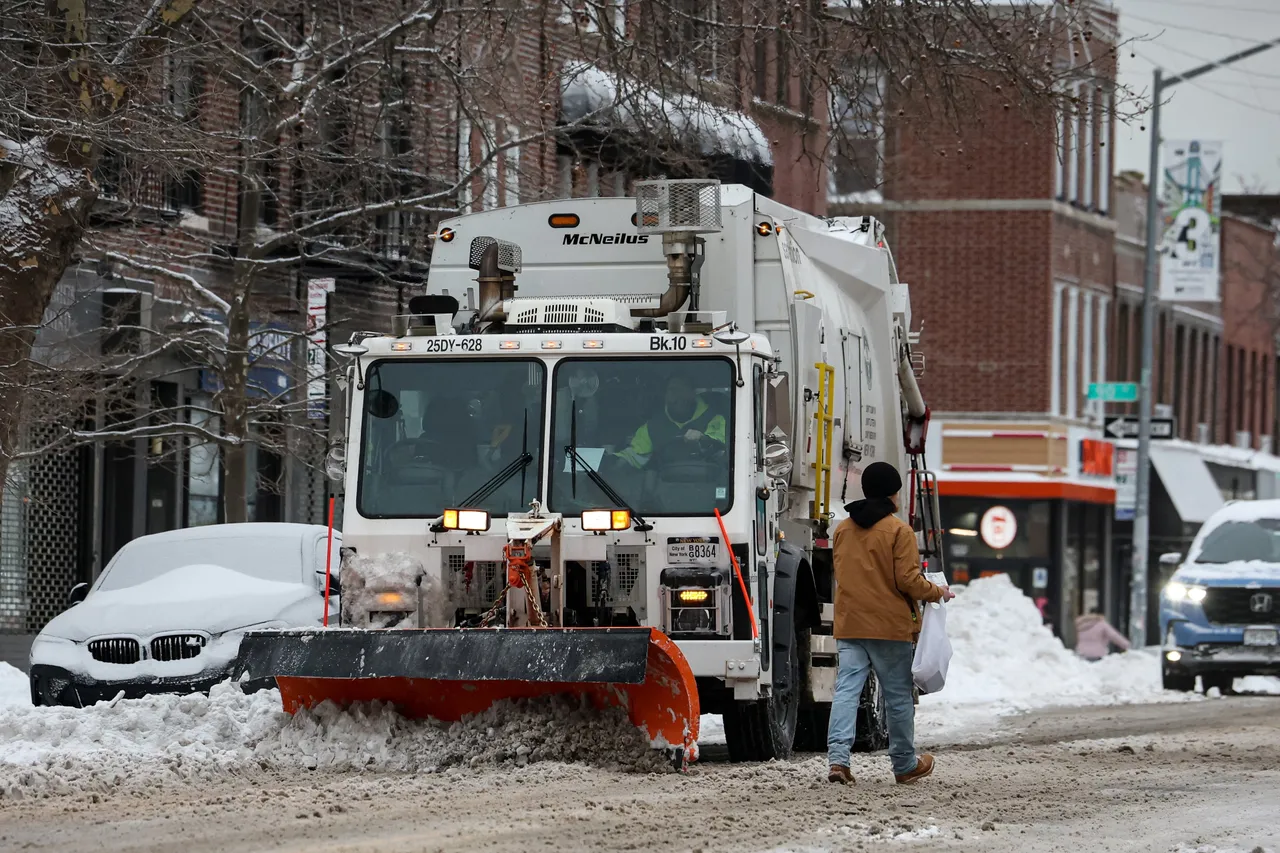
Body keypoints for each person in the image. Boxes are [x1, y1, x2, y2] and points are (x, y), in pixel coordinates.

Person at [827, 461, 954, 786]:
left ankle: (838, 761)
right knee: (897, 696)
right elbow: (908, 581)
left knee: (846, 691)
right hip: (889, 628)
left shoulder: (842, 529)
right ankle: (903, 764)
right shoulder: (899, 531)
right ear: (894, 494)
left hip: (851, 624)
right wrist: (937, 592)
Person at [612, 375, 725, 470]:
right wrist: (615, 466)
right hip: (665, 489)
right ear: (665, 396)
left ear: (693, 393)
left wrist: (702, 438)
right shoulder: (652, 426)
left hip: (708, 485)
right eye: (673, 390)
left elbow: (720, 447)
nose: (679, 396)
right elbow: (633, 455)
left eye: (683, 389)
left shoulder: (714, 418)